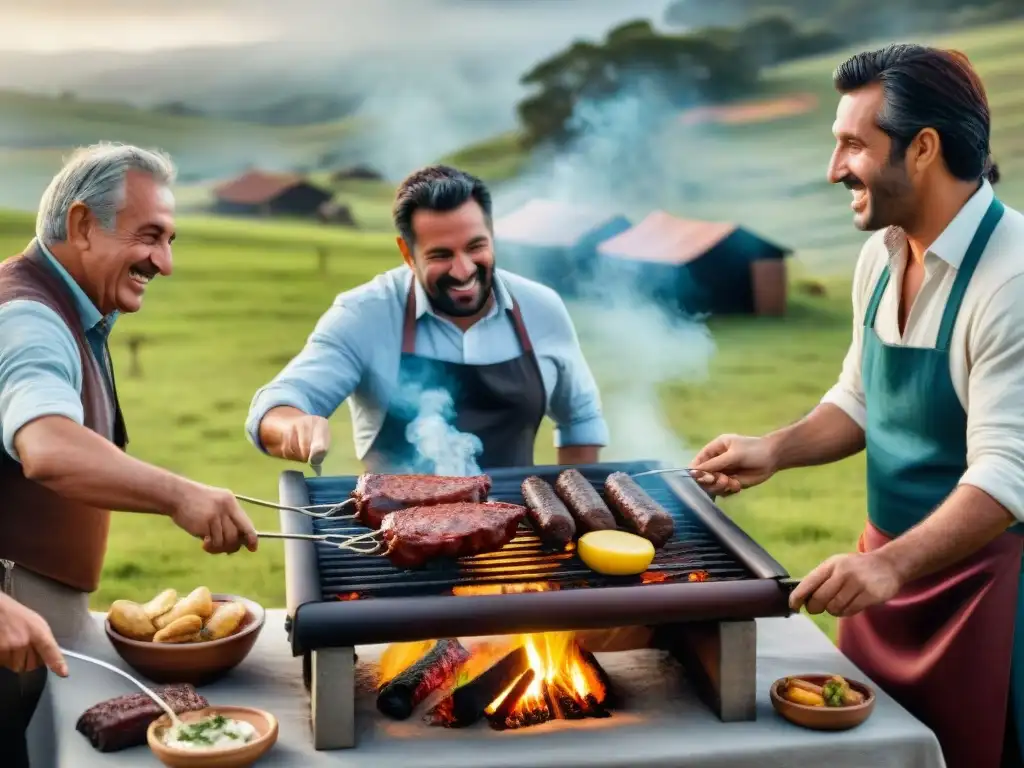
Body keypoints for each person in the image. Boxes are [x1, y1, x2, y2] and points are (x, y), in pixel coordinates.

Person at [691, 44, 1024, 768]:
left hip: (986, 598)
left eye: (852, 144)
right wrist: (772, 450)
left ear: (925, 148)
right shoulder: (882, 254)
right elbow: (860, 398)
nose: (834, 167)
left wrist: (889, 568)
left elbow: (1006, 475)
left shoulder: (1013, 280)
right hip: (886, 582)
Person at [0, 142, 259, 766]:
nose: (164, 263)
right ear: (84, 225)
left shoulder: (65, 309)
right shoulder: (27, 317)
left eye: (170, 241)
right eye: (150, 237)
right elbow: (47, 446)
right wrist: (180, 495)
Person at [247, 164, 608, 473]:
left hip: (518, 543)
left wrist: (574, 511)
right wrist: (292, 426)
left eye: (475, 247)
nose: (464, 269)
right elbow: (277, 403)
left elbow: (580, 419)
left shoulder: (541, 309)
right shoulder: (364, 315)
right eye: (441, 255)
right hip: (399, 540)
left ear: (492, 236)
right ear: (407, 252)